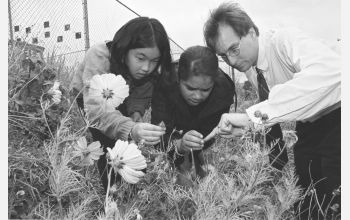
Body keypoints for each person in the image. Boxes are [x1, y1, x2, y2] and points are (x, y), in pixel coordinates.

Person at [203, 2, 341, 218]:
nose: (231, 60)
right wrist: (249, 128)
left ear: (250, 32)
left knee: (335, 194)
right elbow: (280, 109)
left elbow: (332, 74)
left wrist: (255, 117)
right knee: (304, 195)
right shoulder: (252, 69)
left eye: (233, 49)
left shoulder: (284, 41)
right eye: (223, 55)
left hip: (340, 116)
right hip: (308, 124)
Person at [72, 17, 172, 190]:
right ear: (125, 50)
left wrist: (136, 113)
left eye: (154, 61)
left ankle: (132, 185)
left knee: (125, 140)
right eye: (140, 58)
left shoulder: (148, 71)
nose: (147, 67)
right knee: (107, 145)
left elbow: (142, 91)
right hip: (90, 98)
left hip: (121, 94)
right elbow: (98, 111)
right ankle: (112, 194)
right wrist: (130, 128)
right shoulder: (100, 57)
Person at [151, 45, 236, 186]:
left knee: (205, 178)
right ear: (179, 77)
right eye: (190, 88)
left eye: (205, 90)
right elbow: (158, 132)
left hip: (202, 135)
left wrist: (197, 148)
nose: (197, 96)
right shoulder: (166, 82)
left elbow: (212, 131)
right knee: (172, 180)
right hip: (174, 131)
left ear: (213, 83)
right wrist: (179, 145)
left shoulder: (223, 89)